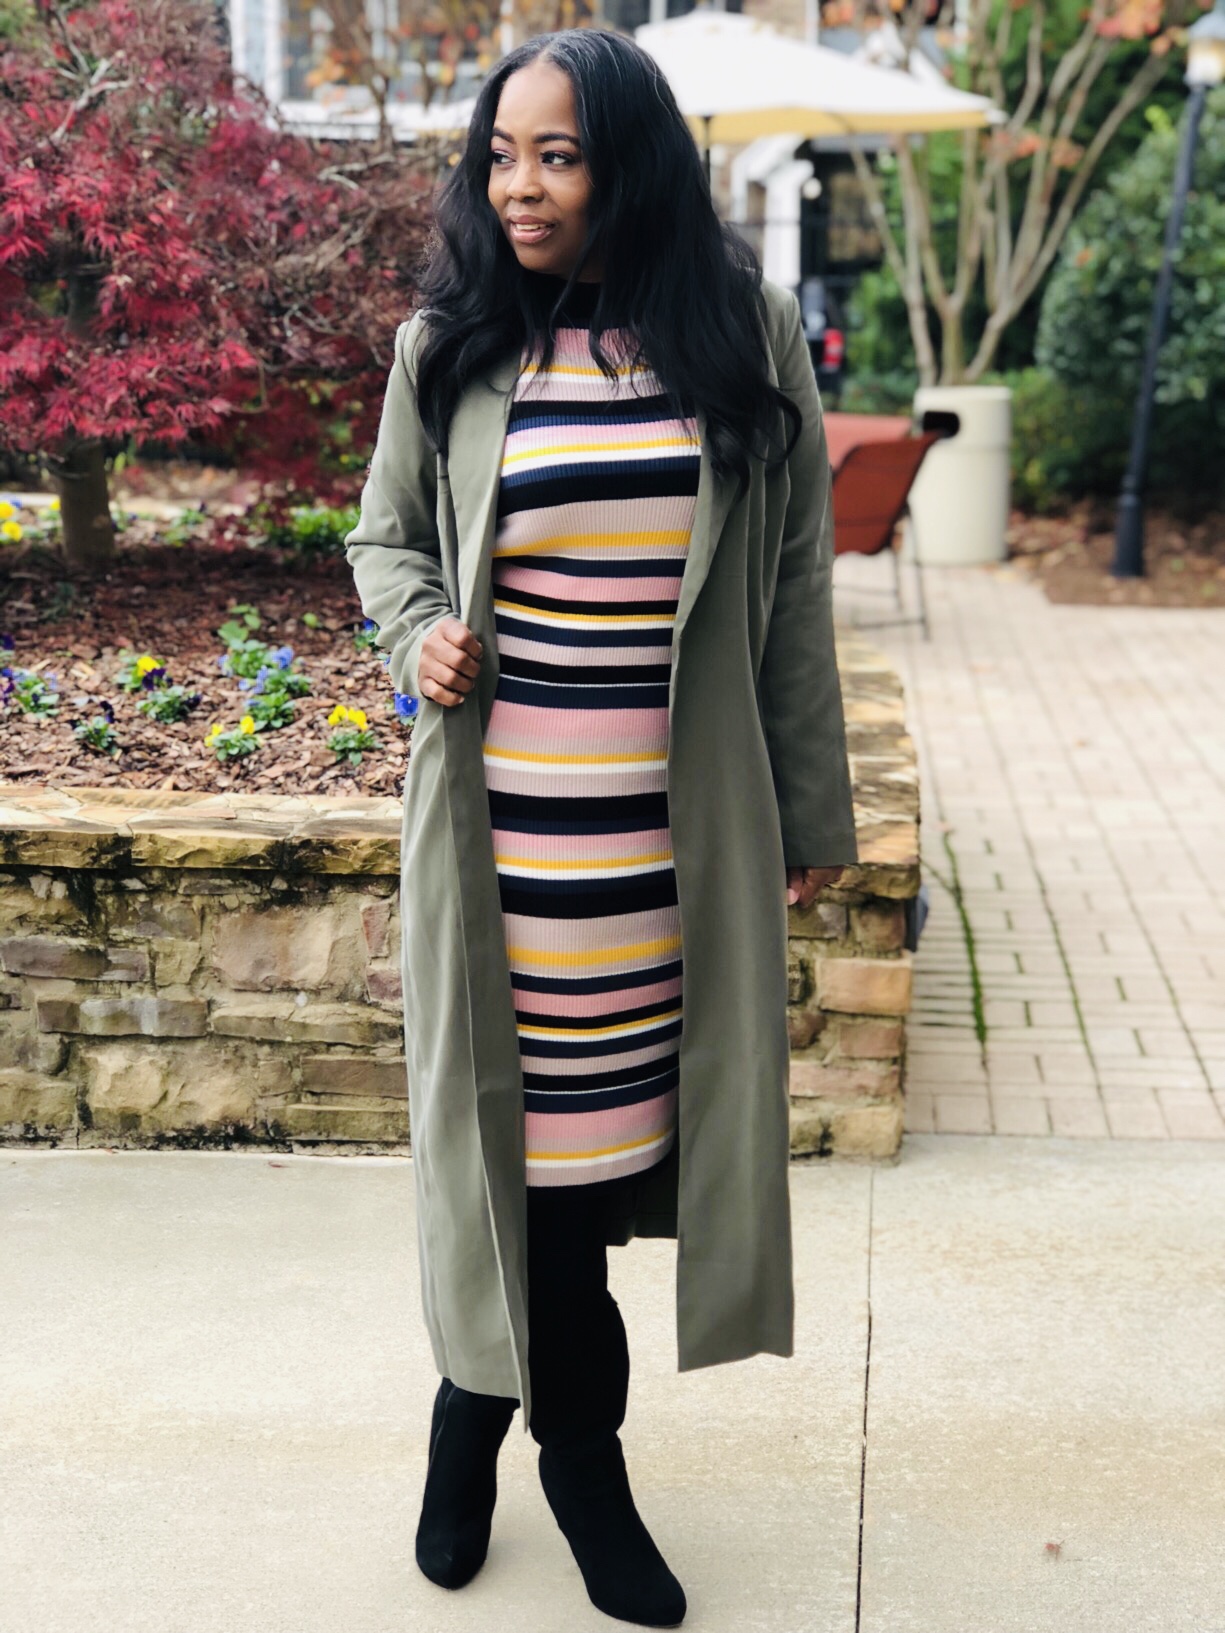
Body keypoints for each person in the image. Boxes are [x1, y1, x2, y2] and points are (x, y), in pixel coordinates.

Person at [344, 27, 857, 1629]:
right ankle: (568, 1461)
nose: (519, 187)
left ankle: (483, 1421)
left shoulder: (739, 334)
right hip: (499, 855)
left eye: (556, 156)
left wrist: (810, 802)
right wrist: (416, 633)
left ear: (626, 164)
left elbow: (790, 584)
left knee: (588, 1179)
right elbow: (382, 539)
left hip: (665, 860)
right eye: (500, 155)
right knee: (519, 1171)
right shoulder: (448, 345)